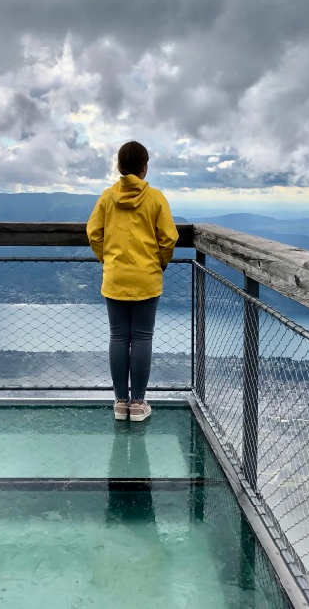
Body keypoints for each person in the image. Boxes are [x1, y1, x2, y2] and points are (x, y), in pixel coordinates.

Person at [87, 141, 179, 422]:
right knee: (141, 337)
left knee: (118, 336)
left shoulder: (107, 198)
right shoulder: (155, 198)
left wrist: (107, 259)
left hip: (115, 277)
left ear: (119, 166)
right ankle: (138, 404)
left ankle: (120, 403)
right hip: (146, 277)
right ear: (144, 167)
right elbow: (169, 238)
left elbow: (94, 233)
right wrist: (160, 262)